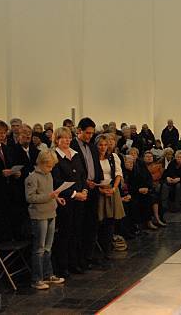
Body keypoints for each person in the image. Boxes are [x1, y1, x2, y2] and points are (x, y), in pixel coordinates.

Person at [25, 149, 66, 290]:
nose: (51, 169)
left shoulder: (48, 175)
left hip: (51, 213)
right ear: (41, 163)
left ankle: (48, 274)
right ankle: (37, 278)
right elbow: (30, 198)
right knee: (39, 249)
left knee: (48, 247)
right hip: (39, 215)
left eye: (52, 166)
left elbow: (50, 193)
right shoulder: (32, 178)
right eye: (49, 166)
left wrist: (56, 198)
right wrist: (50, 196)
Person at [51, 127, 88, 277]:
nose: (66, 140)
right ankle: (63, 266)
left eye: (68, 138)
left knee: (77, 231)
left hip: (80, 199)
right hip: (65, 201)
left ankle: (75, 263)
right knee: (65, 233)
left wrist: (84, 190)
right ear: (56, 140)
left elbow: (83, 176)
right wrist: (74, 194)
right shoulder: (54, 156)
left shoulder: (76, 155)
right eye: (63, 138)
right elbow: (56, 181)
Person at [70, 118, 104, 270]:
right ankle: (77, 260)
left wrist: (98, 181)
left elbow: (95, 166)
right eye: (87, 133)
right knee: (79, 226)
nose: (90, 136)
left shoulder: (92, 147)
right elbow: (75, 171)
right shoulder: (72, 145)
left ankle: (88, 256)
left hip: (93, 189)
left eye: (92, 133)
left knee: (91, 224)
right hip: (79, 190)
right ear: (79, 131)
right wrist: (85, 183)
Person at [95, 134, 126, 257]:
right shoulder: (93, 158)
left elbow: (118, 173)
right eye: (100, 145)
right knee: (99, 220)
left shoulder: (113, 157)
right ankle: (98, 249)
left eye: (105, 145)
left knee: (110, 221)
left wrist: (114, 188)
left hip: (112, 189)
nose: (103, 148)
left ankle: (108, 248)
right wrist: (100, 189)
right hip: (99, 190)